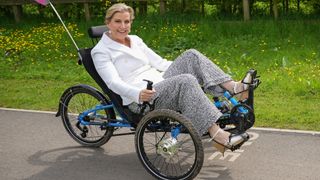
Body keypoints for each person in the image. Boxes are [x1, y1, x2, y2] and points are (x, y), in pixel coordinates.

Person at [91, 3, 253, 154]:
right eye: (118, 21)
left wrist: (185, 65)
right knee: (186, 80)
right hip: (141, 98)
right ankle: (218, 135)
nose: (123, 26)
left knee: (191, 55)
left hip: (160, 82)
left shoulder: (135, 40)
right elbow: (113, 82)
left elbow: (160, 63)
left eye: (127, 21)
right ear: (108, 22)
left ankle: (235, 88)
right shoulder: (101, 51)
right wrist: (137, 93)